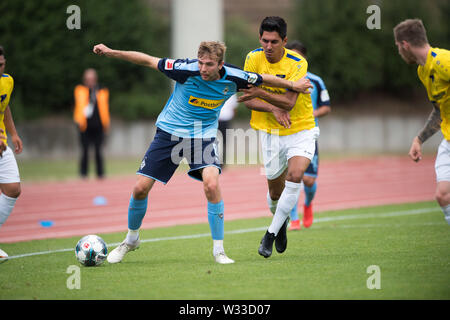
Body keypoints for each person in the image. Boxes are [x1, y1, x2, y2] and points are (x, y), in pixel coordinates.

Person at [92, 41, 311, 264]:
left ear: (220, 64)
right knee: (140, 188)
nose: (203, 69)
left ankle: (219, 251)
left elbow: (265, 79)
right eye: (201, 63)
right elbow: (147, 59)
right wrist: (112, 52)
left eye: (209, 64)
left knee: (212, 184)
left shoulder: (235, 76)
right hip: (169, 132)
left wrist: (293, 85)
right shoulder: (184, 70)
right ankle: (131, 239)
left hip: (202, 136)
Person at [240, 16, 318, 258]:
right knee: (275, 193)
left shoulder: (297, 62)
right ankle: (281, 222)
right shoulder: (253, 58)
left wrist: (262, 91)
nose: (269, 46)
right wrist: (273, 107)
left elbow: (289, 101)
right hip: (270, 132)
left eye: (274, 41)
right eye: (265, 40)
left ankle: (270, 234)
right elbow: (247, 99)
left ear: (284, 40)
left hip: (301, 128)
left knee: (296, 176)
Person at [393, 19, 450, 225]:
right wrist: (419, 139)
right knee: (442, 196)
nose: (399, 51)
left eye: (398, 47)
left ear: (405, 45)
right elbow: (439, 110)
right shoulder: (423, 70)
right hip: (448, 138)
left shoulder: (443, 61)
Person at [285, 41, 331, 230]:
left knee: (309, 180)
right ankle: (294, 218)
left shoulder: (316, 81)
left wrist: (312, 114)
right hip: (287, 133)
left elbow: (327, 107)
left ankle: (308, 204)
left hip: (308, 134)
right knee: (292, 176)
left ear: (304, 58)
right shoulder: (283, 79)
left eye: (297, 56)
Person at [0, 45, 23, 262]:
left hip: (2, 143)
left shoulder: (7, 80)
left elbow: (4, 105)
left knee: (13, 189)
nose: (0, 68)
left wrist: (13, 133)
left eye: (2, 64)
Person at [73, 68, 110, 179]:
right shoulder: (80, 90)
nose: (90, 81)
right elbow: (79, 106)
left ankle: (100, 174)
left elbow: (105, 107)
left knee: (99, 150)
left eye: (92, 78)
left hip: (99, 125)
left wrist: (107, 123)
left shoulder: (102, 90)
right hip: (84, 126)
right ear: (85, 79)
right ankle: (83, 174)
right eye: (88, 79)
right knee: (84, 150)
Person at [218, 93, 239, 169]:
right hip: (216, 119)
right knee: (211, 141)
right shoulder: (231, 92)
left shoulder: (232, 92)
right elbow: (234, 108)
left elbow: (234, 107)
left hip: (225, 119)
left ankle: (222, 162)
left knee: (224, 142)